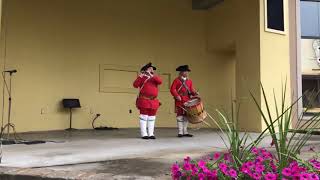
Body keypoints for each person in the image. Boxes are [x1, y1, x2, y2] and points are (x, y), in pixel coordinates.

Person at [133, 63, 162, 139]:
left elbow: (160, 82)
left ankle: (151, 134)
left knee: (152, 118)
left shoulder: (154, 78)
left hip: (153, 101)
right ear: (145, 70)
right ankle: (144, 134)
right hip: (144, 100)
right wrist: (140, 76)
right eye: (150, 68)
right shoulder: (142, 78)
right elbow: (135, 85)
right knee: (144, 117)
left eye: (152, 69)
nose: (152, 70)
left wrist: (151, 75)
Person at [170, 65, 198, 138]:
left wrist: (195, 93)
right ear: (181, 72)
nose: (187, 73)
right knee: (180, 116)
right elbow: (172, 89)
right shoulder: (176, 80)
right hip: (180, 99)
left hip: (187, 99)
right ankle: (180, 132)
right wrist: (177, 96)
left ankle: (185, 132)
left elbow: (191, 90)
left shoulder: (189, 81)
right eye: (185, 71)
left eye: (187, 72)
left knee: (186, 116)